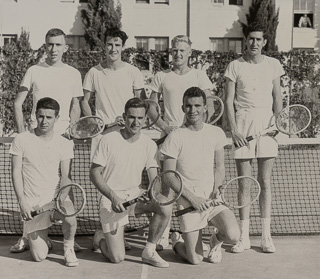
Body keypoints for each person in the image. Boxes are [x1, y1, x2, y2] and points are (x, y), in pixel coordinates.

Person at [12, 28, 83, 253]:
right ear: (45, 46)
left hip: (62, 140)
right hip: (36, 137)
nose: (53, 49)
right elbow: (18, 103)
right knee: (30, 185)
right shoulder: (34, 70)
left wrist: (72, 128)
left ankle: (67, 236)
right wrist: (24, 132)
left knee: (65, 185)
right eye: (50, 44)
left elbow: (75, 105)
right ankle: (27, 234)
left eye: (58, 45)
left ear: (65, 47)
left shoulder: (73, 73)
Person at [81, 28, 145, 251]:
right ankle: (106, 231)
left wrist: (128, 123)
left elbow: (139, 103)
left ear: (122, 47)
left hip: (126, 133)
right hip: (102, 135)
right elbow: (85, 101)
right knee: (104, 183)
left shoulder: (133, 72)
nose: (113, 48)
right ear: (104, 46)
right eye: (109, 44)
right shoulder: (93, 72)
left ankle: (115, 231)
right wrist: (97, 123)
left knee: (125, 180)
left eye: (117, 45)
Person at [148, 35, 213, 250]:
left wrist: (198, 129)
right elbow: (151, 108)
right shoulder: (161, 76)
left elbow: (209, 106)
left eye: (182, 51)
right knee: (167, 187)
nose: (177, 54)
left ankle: (199, 234)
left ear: (189, 53)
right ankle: (162, 236)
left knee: (198, 182)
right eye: (174, 50)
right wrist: (166, 128)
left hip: (193, 138)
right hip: (168, 137)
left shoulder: (199, 75)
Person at [161, 87, 240, 264]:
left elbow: (219, 167)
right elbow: (168, 176)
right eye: (188, 106)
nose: (193, 110)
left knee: (234, 236)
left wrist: (216, 190)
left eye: (197, 105)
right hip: (188, 202)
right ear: (183, 108)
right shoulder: (175, 137)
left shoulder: (216, 133)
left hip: (212, 200)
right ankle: (176, 242)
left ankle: (215, 241)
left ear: (205, 107)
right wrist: (193, 198)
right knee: (195, 259)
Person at [224, 23, 285, 254]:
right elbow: (229, 100)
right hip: (243, 123)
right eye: (251, 39)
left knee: (265, 182)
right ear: (245, 41)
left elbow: (277, 96)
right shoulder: (234, 66)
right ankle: (244, 238)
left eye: (259, 40)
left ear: (264, 42)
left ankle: (266, 237)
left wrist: (278, 122)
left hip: (267, 125)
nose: (255, 43)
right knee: (244, 184)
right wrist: (234, 130)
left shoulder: (273, 65)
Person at [90, 98, 171, 268]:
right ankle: (100, 238)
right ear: (124, 117)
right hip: (111, 200)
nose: (136, 122)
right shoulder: (108, 140)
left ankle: (149, 250)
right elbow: (94, 173)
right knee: (117, 257)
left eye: (140, 118)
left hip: (135, 196)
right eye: (132, 117)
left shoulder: (149, 145)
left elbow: (154, 178)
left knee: (164, 205)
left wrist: (150, 192)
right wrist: (113, 197)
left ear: (145, 120)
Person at [10, 97, 79, 267]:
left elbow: (65, 176)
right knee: (39, 256)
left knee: (70, 215)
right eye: (41, 116)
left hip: (55, 200)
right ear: (35, 115)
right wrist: (23, 203)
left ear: (57, 118)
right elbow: (16, 172)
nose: (44, 121)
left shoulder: (64, 143)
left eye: (49, 117)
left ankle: (68, 248)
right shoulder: (21, 139)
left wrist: (60, 199)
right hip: (33, 205)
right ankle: (43, 239)